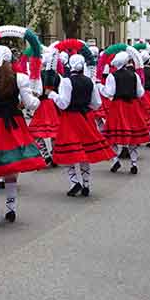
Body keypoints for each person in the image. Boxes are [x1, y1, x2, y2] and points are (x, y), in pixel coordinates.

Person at [0, 46, 45, 225]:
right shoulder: (20, 78)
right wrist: (37, 97)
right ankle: (11, 207)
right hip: (13, 124)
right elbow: (31, 104)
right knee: (12, 165)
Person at [49, 54, 115, 197]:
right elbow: (96, 103)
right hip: (85, 119)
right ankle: (86, 184)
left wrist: (53, 95)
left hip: (70, 120)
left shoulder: (67, 81)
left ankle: (74, 182)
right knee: (85, 152)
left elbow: (64, 103)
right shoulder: (89, 81)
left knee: (68, 152)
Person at [100, 52, 150, 174]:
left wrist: (100, 87)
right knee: (133, 137)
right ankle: (133, 163)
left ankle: (115, 160)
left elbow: (109, 93)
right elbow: (140, 93)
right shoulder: (134, 75)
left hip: (118, 107)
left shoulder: (112, 76)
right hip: (132, 106)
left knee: (112, 136)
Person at [29, 51, 61, 166]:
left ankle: (45, 154)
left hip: (42, 105)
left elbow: (35, 93)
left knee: (34, 132)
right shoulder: (56, 75)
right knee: (55, 132)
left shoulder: (37, 76)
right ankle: (54, 155)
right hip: (53, 104)